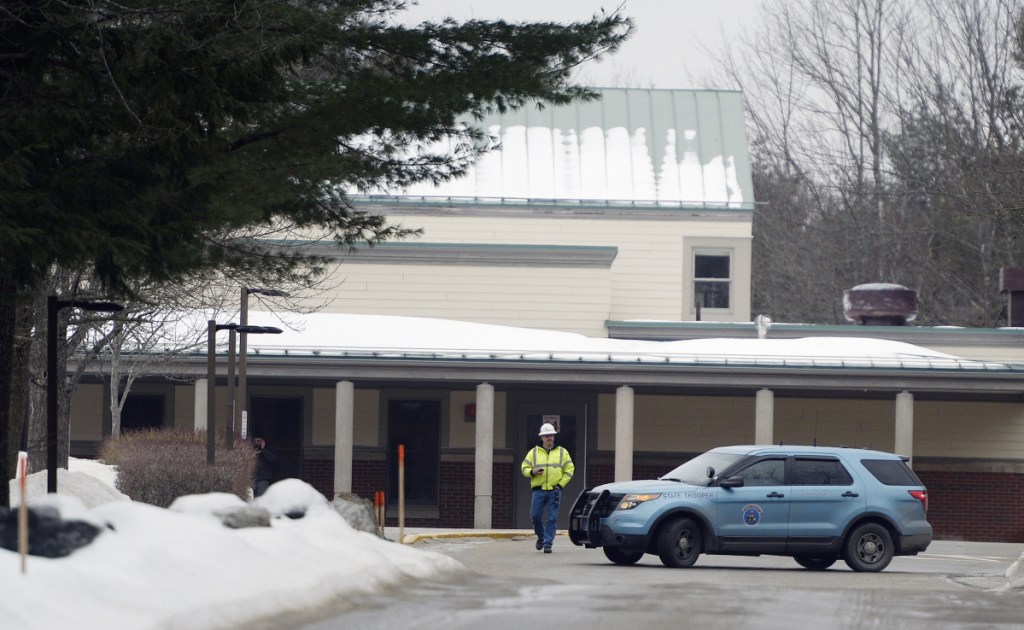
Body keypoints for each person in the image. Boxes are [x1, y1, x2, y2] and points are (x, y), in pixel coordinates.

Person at [521, 422, 574, 553]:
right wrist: (532, 472)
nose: (549, 438)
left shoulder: (562, 452)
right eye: (546, 436)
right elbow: (524, 468)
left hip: (554, 490)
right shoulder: (533, 453)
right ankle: (541, 537)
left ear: (554, 437)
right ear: (542, 438)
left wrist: (560, 485)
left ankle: (548, 544)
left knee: (552, 518)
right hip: (538, 490)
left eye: (551, 435)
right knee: (535, 516)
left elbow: (569, 470)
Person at [252, 432, 278, 498]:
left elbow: (272, 459)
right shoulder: (249, 449)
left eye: (259, 441)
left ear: (263, 441)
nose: (257, 443)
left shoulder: (269, 449)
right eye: (255, 441)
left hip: (263, 478)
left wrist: (263, 450)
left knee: (260, 497)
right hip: (251, 477)